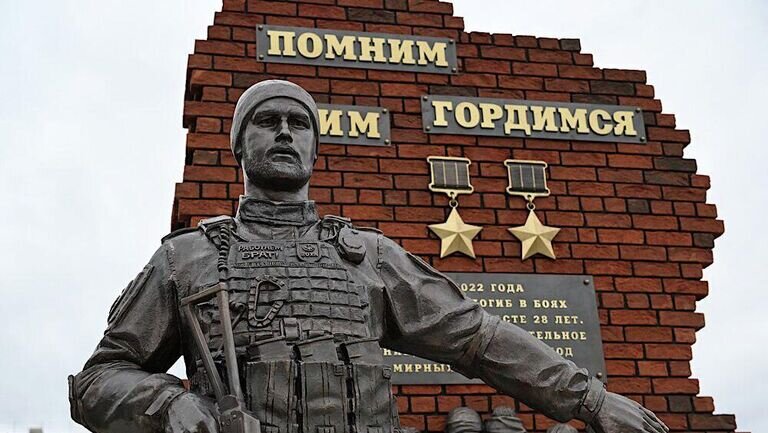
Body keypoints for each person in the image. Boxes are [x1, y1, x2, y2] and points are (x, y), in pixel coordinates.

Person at [69, 80, 669, 433]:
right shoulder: (189, 258)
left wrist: (592, 401)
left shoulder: (366, 255)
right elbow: (98, 379)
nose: (285, 132)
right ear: (239, 146)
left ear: (314, 149)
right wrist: (170, 405)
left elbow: (478, 339)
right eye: (267, 121)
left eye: (299, 124)